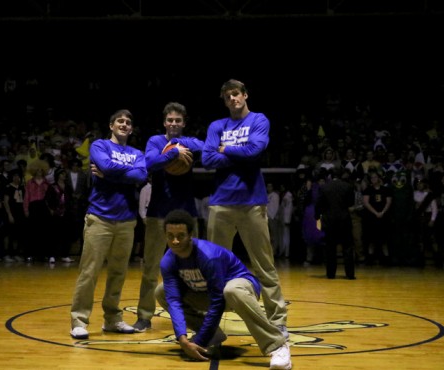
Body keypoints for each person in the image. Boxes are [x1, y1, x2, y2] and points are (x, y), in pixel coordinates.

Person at [201, 79, 289, 337]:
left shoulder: (259, 120)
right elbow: (207, 159)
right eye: (227, 96)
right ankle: (212, 322)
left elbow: (255, 151)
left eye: (236, 94)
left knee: (264, 265)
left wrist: (225, 148)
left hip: (252, 202)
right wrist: (239, 152)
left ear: (245, 95)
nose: (232, 99)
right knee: (213, 267)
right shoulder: (217, 125)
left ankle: (278, 320)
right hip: (221, 204)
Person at [155, 209, 291, 370]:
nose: (175, 241)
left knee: (232, 290)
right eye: (170, 236)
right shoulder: (168, 261)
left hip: (240, 287)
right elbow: (174, 300)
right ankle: (214, 336)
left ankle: (277, 345)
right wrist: (182, 339)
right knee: (162, 291)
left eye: (180, 236)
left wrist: (199, 342)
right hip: (206, 293)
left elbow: (217, 302)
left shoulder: (208, 256)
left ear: (191, 235)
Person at [70, 109, 148, 340]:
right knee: (89, 272)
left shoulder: (137, 152)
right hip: (99, 218)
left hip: (126, 220)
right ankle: (79, 320)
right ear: (111, 126)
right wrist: (122, 173)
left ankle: (112, 319)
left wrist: (110, 173)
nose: (124, 124)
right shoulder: (100, 146)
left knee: (118, 273)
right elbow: (116, 169)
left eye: (127, 122)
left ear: (131, 128)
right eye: (119, 121)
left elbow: (141, 176)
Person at [134, 101, 204, 333]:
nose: (174, 124)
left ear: (184, 123)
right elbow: (150, 163)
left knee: (194, 268)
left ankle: (196, 315)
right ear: (164, 122)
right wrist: (174, 151)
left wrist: (179, 144)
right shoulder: (155, 141)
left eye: (178, 121)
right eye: (170, 120)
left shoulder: (190, 142)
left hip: (186, 213)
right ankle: (144, 316)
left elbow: (203, 147)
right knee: (151, 267)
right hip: (158, 213)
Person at [314, 167, 356, 279]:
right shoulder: (348, 187)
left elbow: (319, 205)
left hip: (329, 221)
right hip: (344, 220)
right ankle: (350, 274)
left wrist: (317, 217)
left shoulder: (324, 187)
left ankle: (331, 274)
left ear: (330, 176)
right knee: (347, 248)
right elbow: (350, 203)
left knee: (330, 248)